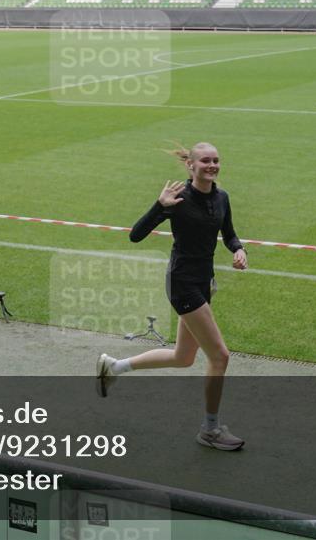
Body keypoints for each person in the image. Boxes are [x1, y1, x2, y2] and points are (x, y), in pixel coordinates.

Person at [97, 142, 246, 450]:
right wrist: (160, 206)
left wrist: (239, 249)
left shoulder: (222, 197)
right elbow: (135, 235)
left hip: (205, 283)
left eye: (216, 160)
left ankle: (114, 367)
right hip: (182, 283)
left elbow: (228, 233)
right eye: (205, 160)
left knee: (183, 357)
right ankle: (210, 429)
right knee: (219, 356)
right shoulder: (178, 198)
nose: (212, 165)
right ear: (190, 165)